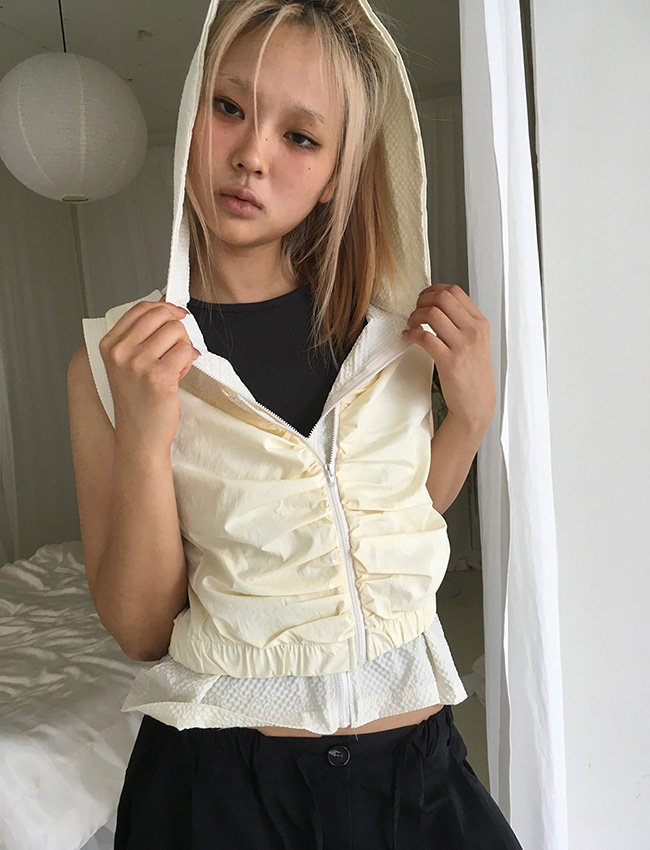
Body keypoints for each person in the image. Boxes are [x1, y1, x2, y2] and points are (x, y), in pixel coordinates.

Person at [67, 1, 523, 847]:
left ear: (338, 172)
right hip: (223, 791)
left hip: (417, 774)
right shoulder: (116, 358)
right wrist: (147, 437)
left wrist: (469, 417)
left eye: (300, 137)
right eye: (229, 107)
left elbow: (390, 528)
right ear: (190, 111)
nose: (252, 154)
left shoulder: (393, 339)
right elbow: (141, 630)